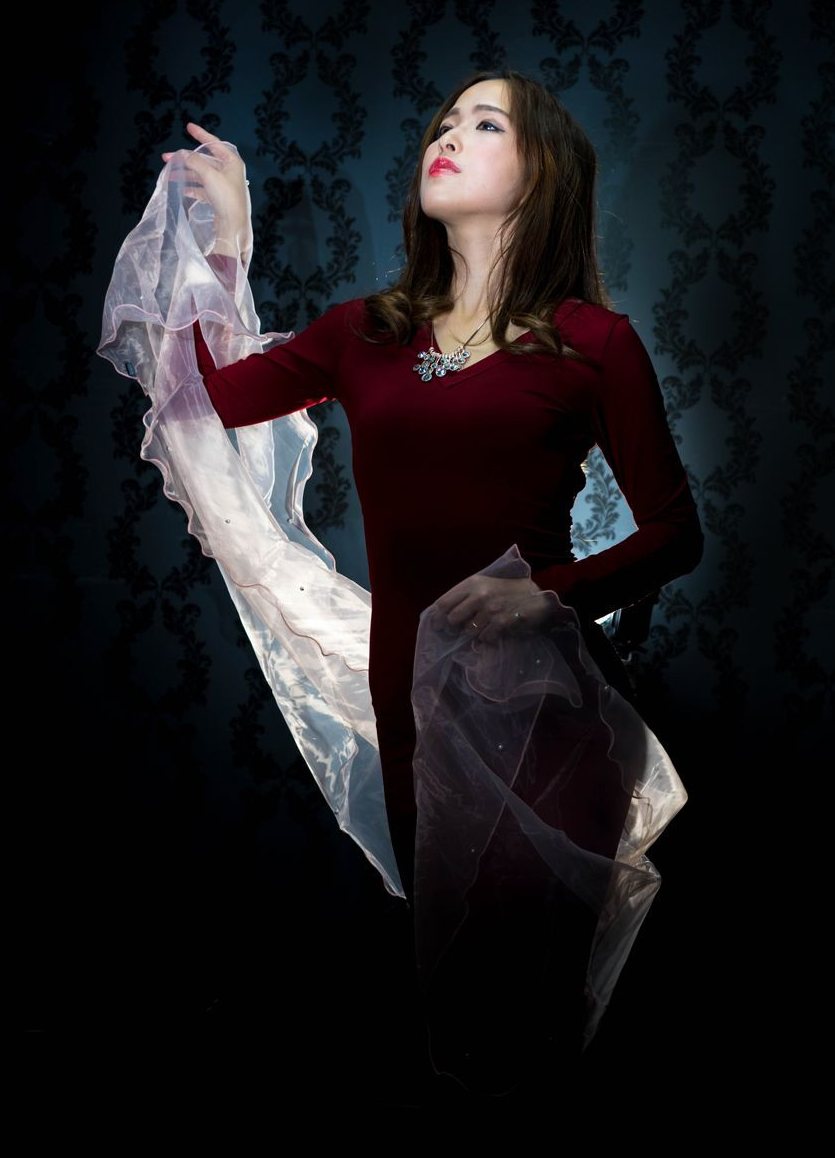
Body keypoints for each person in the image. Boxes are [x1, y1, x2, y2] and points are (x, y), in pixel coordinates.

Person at [99, 68, 704, 1097]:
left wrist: (548, 592)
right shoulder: (366, 332)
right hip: (414, 707)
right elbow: (210, 396)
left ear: (543, 172)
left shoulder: (597, 344)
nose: (448, 135)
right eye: (443, 121)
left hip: (550, 714)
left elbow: (676, 534)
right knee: (454, 1008)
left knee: (536, 1016)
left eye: (485, 123)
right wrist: (231, 239)